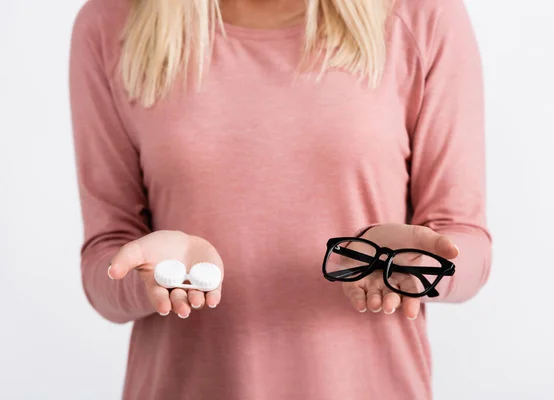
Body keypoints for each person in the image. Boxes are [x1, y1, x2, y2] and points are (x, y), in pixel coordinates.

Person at [68, 0, 492, 398]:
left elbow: (465, 242)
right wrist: (147, 278)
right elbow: (103, 259)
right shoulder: (112, 24)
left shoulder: (421, 17)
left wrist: (417, 264)